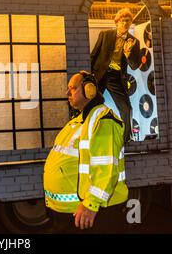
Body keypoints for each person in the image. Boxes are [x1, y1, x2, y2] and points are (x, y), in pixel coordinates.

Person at [44, 71, 128, 232]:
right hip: (70, 211)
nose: (67, 93)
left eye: (73, 88)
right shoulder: (77, 122)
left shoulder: (103, 120)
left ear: (89, 90)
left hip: (93, 211)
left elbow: (106, 168)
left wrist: (91, 204)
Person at [90, 8, 140, 143]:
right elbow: (94, 55)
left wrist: (128, 54)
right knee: (90, 103)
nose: (125, 23)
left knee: (126, 108)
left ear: (131, 23)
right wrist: (89, 76)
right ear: (117, 22)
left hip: (116, 77)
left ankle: (125, 138)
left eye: (127, 21)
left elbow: (135, 65)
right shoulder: (105, 35)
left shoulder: (134, 41)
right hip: (100, 74)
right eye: (122, 20)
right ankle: (87, 132)